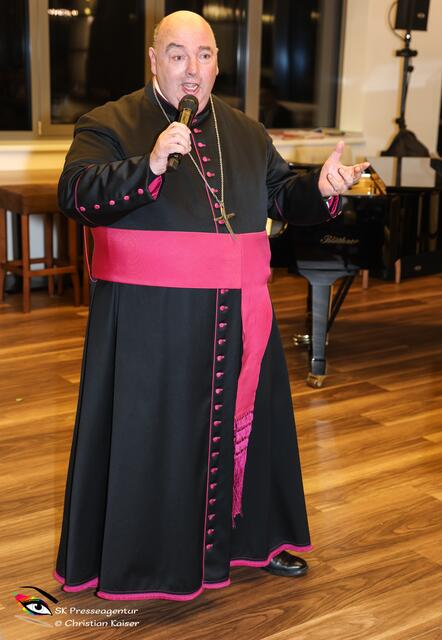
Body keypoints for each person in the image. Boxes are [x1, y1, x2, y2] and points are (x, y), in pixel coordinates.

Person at [53, 11, 369, 601]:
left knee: (252, 429)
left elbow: (282, 195)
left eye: (203, 55)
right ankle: (147, 563)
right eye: (177, 55)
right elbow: (75, 194)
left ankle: (254, 542)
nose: (191, 70)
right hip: (151, 324)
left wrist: (321, 190)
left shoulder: (245, 131)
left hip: (242, 315)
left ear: (218, 63)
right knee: (157, 441)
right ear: (154, 61)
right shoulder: (109, 122)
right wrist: (148, 164)